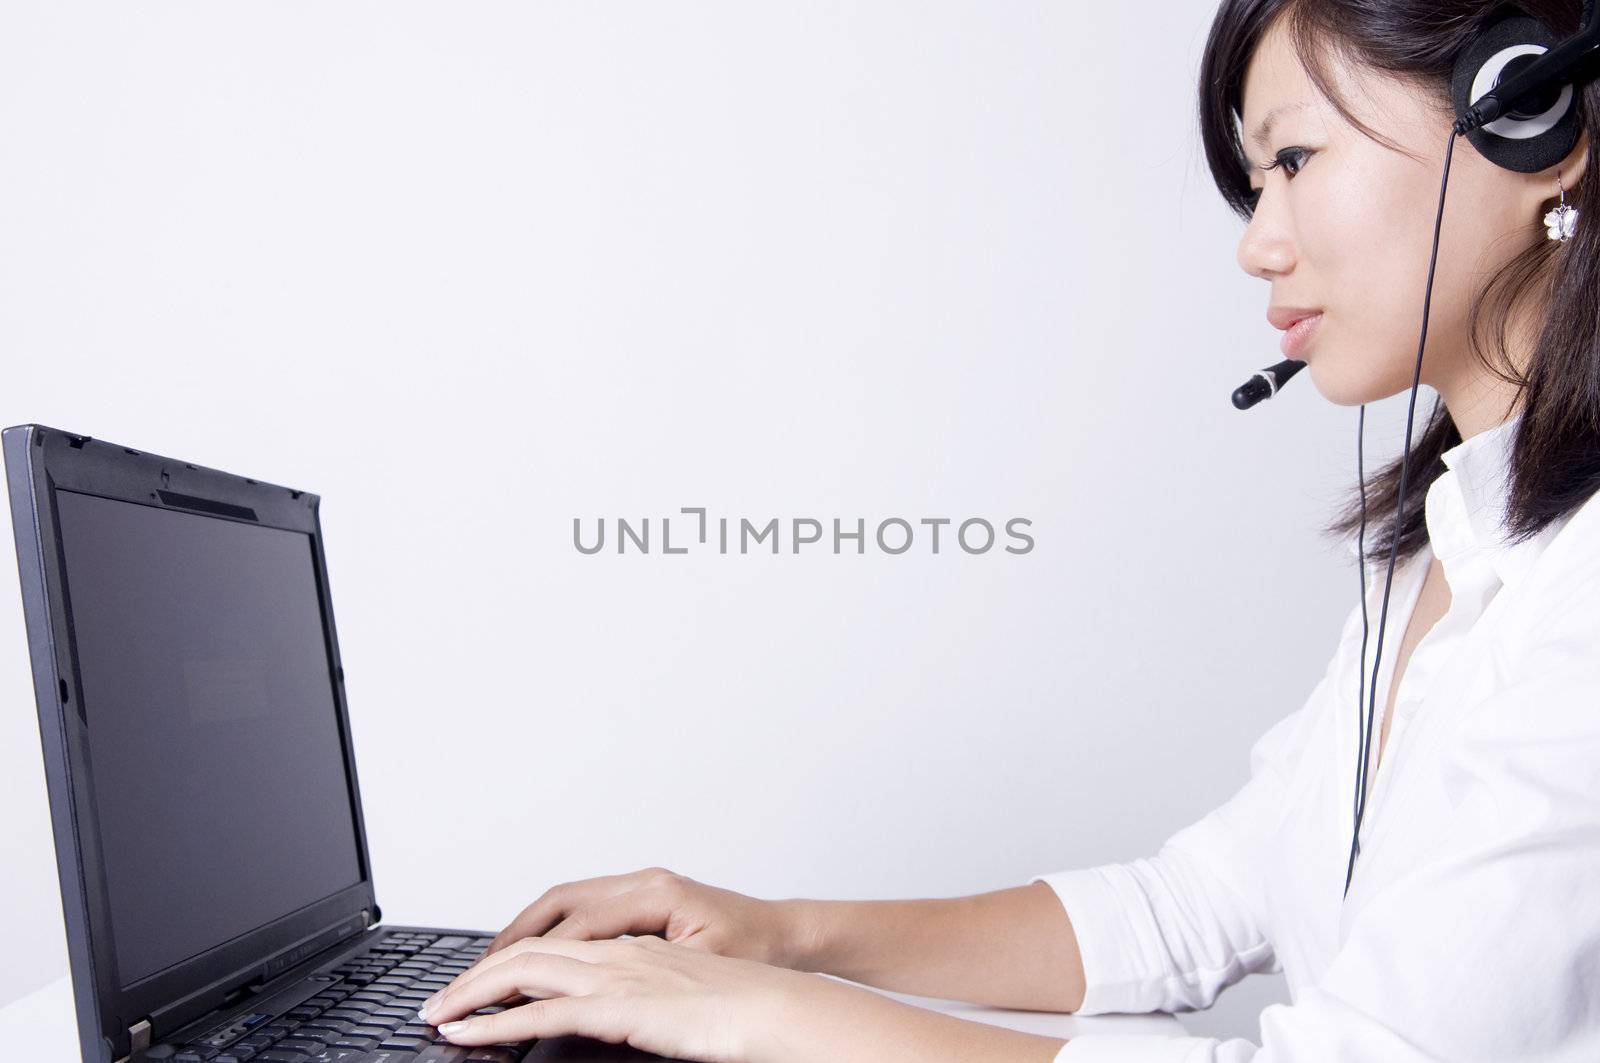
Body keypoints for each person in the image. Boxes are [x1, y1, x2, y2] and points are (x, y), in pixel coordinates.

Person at [416, 1, 1600, 1059]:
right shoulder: (1453, 547)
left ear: (1535, 121)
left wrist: (756, 1018)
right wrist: (773, 936)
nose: (1257, 244)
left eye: (1293, 159)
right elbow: (1195, 902)